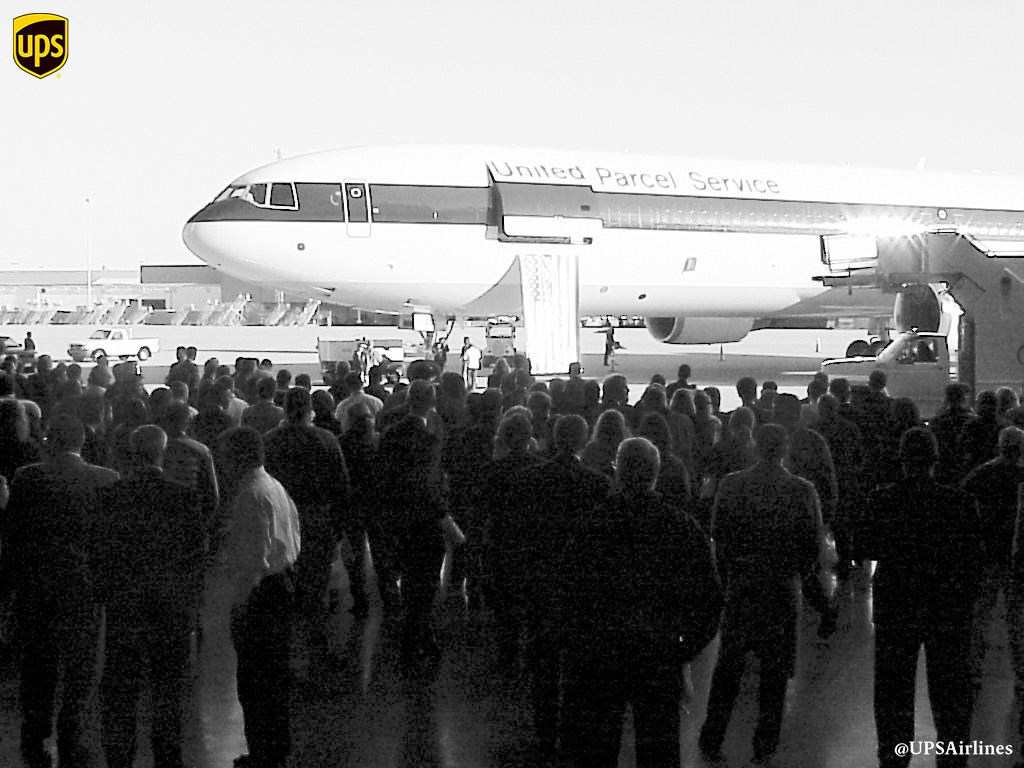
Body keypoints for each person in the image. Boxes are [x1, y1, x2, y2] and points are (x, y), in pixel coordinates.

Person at [563, 437, 722, 767]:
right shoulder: (681, 527)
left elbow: (567, 590)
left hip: (600, 653)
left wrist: (579, 642)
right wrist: (682, 648)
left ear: (617, 472)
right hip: (658, 654)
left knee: (596, 747)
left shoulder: (592, 524)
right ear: (656, 473)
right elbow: (709, 600)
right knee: (659, 748)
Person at [700, 424, 825, 766]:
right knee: (774, 676)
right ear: (785, 449)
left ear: (755, 446)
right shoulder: (802, 491)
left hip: (742, 586)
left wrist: (729, 577)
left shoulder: (732, 484)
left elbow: (719, 536)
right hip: (781, 590)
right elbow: (812, 547)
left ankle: (712, 737)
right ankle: (764, 745)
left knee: (728, 670)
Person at [0, 413, 119, 768]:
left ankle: (35, 733)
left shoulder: (28, 477)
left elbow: (15, 535)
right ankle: (72, 732)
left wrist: (8, 588)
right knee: (81, 665)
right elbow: (109, 542)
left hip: (36, 585)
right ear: (83, 442)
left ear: (50, 440)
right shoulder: (106, 479)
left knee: (38, 664)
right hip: (83, 586)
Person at [862, 427, 982, 768]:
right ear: (934, 462)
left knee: (893, 691)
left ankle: (893, 756)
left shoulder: (881, 499)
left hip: (895, 604)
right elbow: (975, 557)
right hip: (946, 608)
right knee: (950, 695)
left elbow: (865, 545)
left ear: (902, 462)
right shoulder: (959, 502)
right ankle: (953, 758)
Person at [95, 425, 205, 768]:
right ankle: (168, 755)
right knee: (168, 687)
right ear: (163, 453)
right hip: (170, 605)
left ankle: (120, 755)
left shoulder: (110, 495)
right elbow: (196, 555)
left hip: (124, 604)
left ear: (130, 450)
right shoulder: (184, 497)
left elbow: (98, 551)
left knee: (121, 688)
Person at [215, 427, 301, 768]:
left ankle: (263, 752)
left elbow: (252, 561)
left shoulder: (249, 495)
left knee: (255, 680)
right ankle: (276, 748)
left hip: (261, 594)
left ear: (236, 457)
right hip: (281, 583)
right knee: (274, 676)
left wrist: (239, 606)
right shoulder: (272, 486)